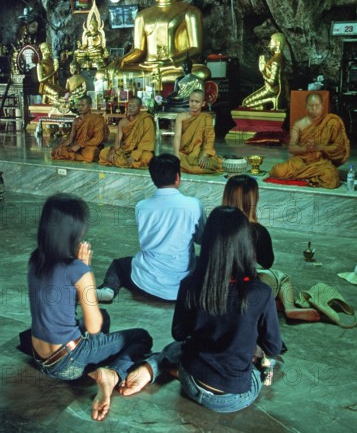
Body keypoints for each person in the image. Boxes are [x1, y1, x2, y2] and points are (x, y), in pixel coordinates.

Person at [120, 207, 283, 413]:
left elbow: (179, 333)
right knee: (267, 362)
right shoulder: (261, 292)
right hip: (232, 398)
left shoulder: (190, 283)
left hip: (191, 381)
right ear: (246, 244)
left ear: (208, 242)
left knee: (181, 345)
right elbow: (274, 347)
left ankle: (157, 366)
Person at [28, 193, 152, 421]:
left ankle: (96, 366)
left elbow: (62, 303)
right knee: (141, 337)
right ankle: (109, 375)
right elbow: (94, 327)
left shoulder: (36, 259)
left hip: (40, 357)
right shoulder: (77, 269)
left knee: (103, 315)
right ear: (74, 230)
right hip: (68, 363)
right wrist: (86, 272)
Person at [96, 153, 206, 303]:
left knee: (119, 265)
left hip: (146, 280)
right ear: (178, 177)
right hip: (182, 283)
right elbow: (201, 239)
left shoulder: (141, 206)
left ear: (153, 179)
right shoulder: (194, 205)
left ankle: (108, 289)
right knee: (202, 261)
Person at [222, 174, 320, 321]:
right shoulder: (257, 231)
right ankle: (289, 307)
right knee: (281, 277)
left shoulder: (215, 223)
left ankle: (266, 302)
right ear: (252, 200)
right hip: (246, 288)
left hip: (218, 287)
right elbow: (267, 263)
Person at [269, 92, 350, 188]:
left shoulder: (331, 122)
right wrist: (305, 148)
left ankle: (306, 176)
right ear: (306, 107)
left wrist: (320, 147)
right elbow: (292, 148)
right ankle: (311, 177)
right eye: (311, 105)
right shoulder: (299, 124)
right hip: (301, 160)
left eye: (317, 105)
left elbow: (338, 147)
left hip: (320, 161)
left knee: (331, 177)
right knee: (278, 171)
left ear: (322, 106)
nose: (314, 108)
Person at [174, 89, 222, 174]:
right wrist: (176, 154)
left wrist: (205, 155)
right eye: (191, 101)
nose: (193, 104)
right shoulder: (181, 117)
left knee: (214, 164)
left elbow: (209, 138)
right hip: (185, 154)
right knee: (174, 161)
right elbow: (177, 136)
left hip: (200, 153)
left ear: (202, 104)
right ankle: (192, 168)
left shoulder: (206, 118)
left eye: (197, 102)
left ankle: (189, 167)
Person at [98, 97, 155, 169]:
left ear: (140, 107)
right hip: (126, 150)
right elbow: (117, 142)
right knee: (103, 153)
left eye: (134, 106)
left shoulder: (146, 120)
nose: (131, 108)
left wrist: (134, 156)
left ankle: (128, 162)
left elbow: (147, 142)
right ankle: (129, 162)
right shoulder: (122, 122)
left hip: (140, 151)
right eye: (129, 105)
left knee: (147, 157)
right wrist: (112, 151)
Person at [51, 95, 109, 163]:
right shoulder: (76, 121)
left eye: (83, 105)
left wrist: (80, 145)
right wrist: (60, 146)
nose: (80, 108)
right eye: (78, 105)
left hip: (90, 146)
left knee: (90, 154)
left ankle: (75, 156)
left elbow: (97, 138)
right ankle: (77, 156)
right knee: (55, 151)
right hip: (76, 146)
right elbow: (70, 138)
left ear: (90, 106)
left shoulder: (97, 119)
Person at [242, 32, 287, 110]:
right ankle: (262, 106)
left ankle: (271, 100)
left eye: (271, 41)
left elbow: (272, 82)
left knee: (245, 104)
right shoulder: (278, 57)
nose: (269, 44)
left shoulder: (276, 60)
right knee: (245, 102)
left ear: (278, 43)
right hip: (268, 87)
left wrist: (262, 71)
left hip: (271, 90)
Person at [75, 1, 109, 70]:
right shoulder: (87, 34)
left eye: (94, 25)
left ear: (97, 26)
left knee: (98, 51)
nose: (92, 27)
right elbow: (85, 44)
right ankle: (85, 64)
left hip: (95, 50)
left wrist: (94, 46)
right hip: (88, 50)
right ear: (88, 26)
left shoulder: (99, 33)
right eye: (91, 26)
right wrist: (80, 47)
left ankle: (97, 64)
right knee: (78, 52)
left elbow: (100, 45)